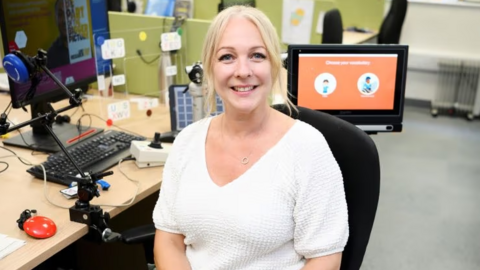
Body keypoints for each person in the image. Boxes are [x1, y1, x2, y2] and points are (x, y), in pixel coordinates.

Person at [152, 5, 349, 270]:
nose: (243, 71)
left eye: (257, 55)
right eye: (227, 57)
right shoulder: (188, 141)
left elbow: (325, 258)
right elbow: (168, 240)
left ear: (274, 66)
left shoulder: (307, 149)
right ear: (209, 67)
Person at [47, 0, 71, 69]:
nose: (65, 20)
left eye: (68, 13)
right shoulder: (51, 55)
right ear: (56, 19)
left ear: (73, 17)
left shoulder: (85, 44)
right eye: (60, 14)